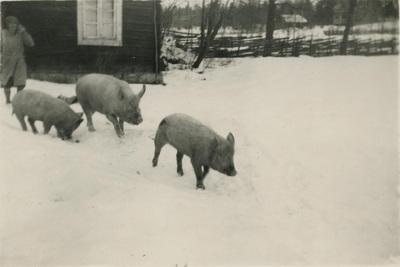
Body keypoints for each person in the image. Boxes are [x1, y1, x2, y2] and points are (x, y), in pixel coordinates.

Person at [1, 16, 34, 104]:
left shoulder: (20, 33)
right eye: (10, 23)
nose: (13, 25)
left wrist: (24, 32)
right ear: (7, 24)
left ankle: (18, 100)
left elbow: (31, 43)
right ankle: (8, 100)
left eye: (15, 23)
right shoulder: (2, 34)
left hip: (20, 60)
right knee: (7, 81)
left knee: (20, 81)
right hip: (7, 61)